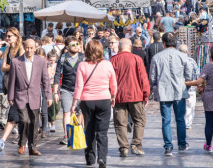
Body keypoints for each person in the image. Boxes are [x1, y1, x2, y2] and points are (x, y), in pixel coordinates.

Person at [71, 40, 117, 168]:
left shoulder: (82, 65)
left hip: (87, 101)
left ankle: (90, 158)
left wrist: (74, 103)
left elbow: (79, 86)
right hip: (104, 100)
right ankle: (102, 158)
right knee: (102, 132)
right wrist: (113, 96)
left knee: (89, 130)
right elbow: (113, 83)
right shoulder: (107, 64)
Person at [150, 32, 192, 156]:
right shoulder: (183, 56)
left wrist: (156, 87)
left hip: (164, 92)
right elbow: (189, 75)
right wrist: (186, 87)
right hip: (179, 92)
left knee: (166, 120)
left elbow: (152, 77)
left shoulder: (157, 57)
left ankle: (168, 147)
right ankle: (182, 144)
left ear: (163, 43)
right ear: (175, 43)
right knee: (180, 119)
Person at [8, 39, 52, 155]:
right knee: (24, 120)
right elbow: (11, 80)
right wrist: (10, 96)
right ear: (24, 47)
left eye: (32, 48)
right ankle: (22, 144)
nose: (29, 50)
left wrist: (49, 95)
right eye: (27, 48)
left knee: (34, 122)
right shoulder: (16, 61)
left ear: (35, 48)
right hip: (20, 96)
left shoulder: (41, 61)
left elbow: (46, 80)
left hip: (35, 96)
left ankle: (32, 147)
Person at [110, 39, 150, 157]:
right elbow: (143, 78)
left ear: (120, 47)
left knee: (120, 123)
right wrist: (146, 95)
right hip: (135, 95)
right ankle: (136, 145)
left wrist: (111, 95)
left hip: (119, 96)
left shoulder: (113, 60)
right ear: (130, 47)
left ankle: (124, 147)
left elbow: (110, 80)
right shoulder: (136, 59)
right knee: (139, 120)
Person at [186, 44, 213, 154]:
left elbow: (199, 81)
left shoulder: (208, 67)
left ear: (211, 54)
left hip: (209, 97)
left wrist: (186, 83)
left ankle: (208, 145)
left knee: (209, 123)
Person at [0, 27, 25, 150]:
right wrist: (13, 66)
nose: (7, 38)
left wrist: (10, 66)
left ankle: (5, 140)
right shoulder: (7, 49)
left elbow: (20, 66)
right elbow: (3, 67)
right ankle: (7, 140)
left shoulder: (21, 49)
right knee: (15, 113)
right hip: (11, 83)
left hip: (20, 85)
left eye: (10, 36)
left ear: (16, 37)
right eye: (7, 36)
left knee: (15, 114)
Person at [53, 36, 85, 145]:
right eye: (73, 45)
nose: (76, 47)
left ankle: (79, 133)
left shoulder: (83, 57)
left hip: (80, 90)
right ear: (67, 47)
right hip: (66, 89)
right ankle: (67, 136)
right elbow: (57, 75)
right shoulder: (62, 58)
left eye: (77, 44)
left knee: (79, 113)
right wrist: (55, 92)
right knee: (66, 112)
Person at [178, 45, 200, 130]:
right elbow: (198, 74)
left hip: (180, 88)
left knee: (180, 106)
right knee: (190, 106)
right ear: (187, 52)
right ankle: (188, 123)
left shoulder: (177, 61)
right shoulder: (192, 61)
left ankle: (182, 122)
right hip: (191, 88)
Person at [47, 50, 61, 133]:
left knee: (58, 106)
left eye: (54, 60)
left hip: (57, 85)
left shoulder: (58, 66)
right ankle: (52, 123)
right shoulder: (46, 65)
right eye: (51, 60)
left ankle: (50, 118)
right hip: (49, 85)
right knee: (51, 105)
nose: (52, 62)